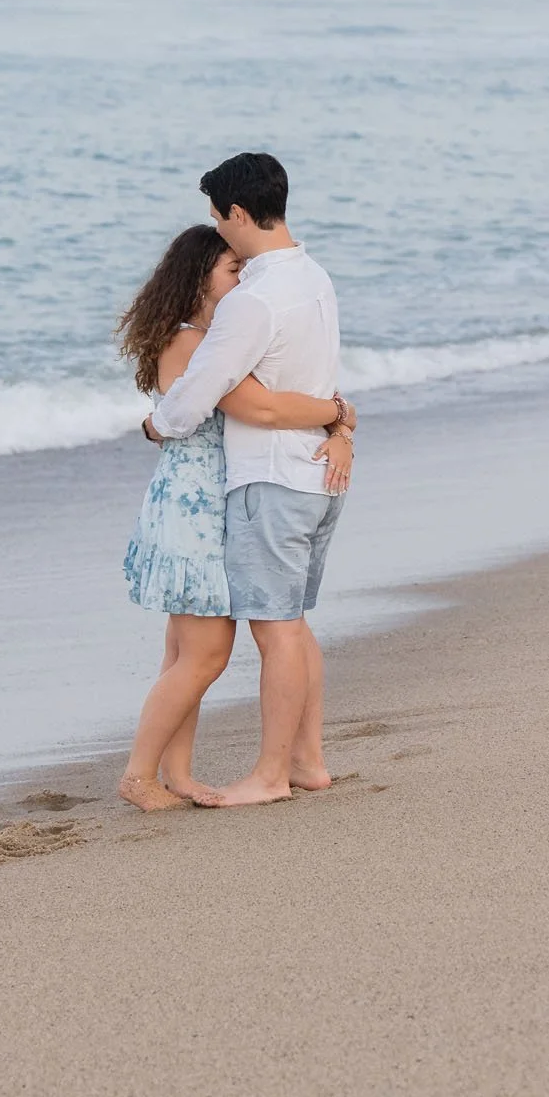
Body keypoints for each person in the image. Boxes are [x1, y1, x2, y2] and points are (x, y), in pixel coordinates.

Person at [113, 223, 353, 812]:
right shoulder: (197, 343)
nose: (241, 276)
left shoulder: (200, 338)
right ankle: (139, 776)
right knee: (204, 655)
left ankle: (177, 774)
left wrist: (338, 426)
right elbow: (261, 406)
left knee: (185, 653)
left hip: (197, 504)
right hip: (194, 510)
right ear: (198, 281)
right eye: (229, 270)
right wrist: (341, 412)